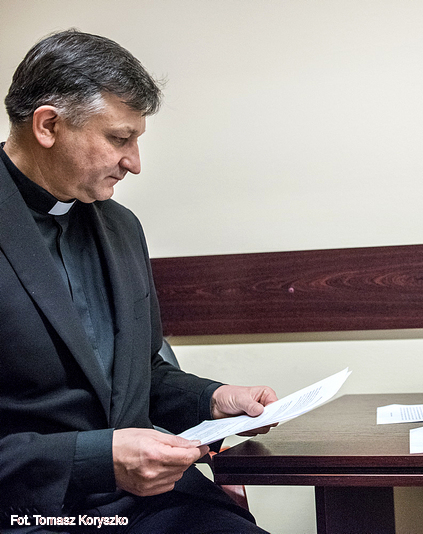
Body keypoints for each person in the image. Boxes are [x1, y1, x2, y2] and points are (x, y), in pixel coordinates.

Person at [0, 30, 277, 533]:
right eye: (119, 138)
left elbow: (142, 374)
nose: (134, 163)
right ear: (48, 125)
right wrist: (96, 459)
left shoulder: (121, 226)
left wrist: (213, 400)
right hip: (31, 511)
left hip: (154, 501)